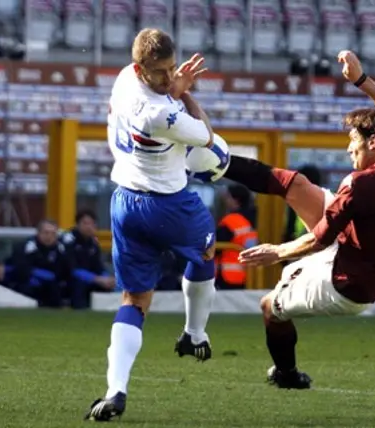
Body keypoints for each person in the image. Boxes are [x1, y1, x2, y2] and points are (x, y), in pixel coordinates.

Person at [224, 51, 375, 389]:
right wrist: (360, 80)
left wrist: (277, 252)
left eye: (354, 141)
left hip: (347, 281)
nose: (349, 150)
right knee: (297, 185)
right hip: (370, 255)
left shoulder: (361, 182)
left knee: (269, 308)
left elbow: (318, 239)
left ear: (374, 142)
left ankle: (286, 375)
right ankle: (220, 163)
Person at [84, 29, 226, 421]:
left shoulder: (125, 80)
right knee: (207, 250)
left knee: (134, 300)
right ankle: (194, 333)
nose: (167, 78)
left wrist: (170, 88)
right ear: (139, 67)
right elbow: (207, 136)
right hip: (168, 204)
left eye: (170, 70)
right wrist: (184, 91)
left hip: (125, 202)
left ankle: (115, 390)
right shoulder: (161, 113)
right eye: (159, 72)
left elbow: (160, 94)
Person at [7, 219, 72, 308]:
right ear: (38, 233)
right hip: (27, 283)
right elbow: (21, 269)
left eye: (53, 234)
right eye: (46, 233)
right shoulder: (25, 247)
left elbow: (66, 270)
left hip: (52, 285)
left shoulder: (61, 249)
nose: (49, 237)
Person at [61, 209, 116, 309]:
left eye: (92, 224)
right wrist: (96, 279)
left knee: (109, 286)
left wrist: (107, 278)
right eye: (85, 223)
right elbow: (71, 268)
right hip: (68, 279)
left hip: (90, 278)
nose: (89, 227)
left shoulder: (93, 243)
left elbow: (98, 266)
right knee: (79, 284)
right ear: (77, 224)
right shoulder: (68, 240)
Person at [215, 184, 258, 289]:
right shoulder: (254, 220)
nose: (225, 200)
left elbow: (215, 246)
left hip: (228, 276)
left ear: (236, 200)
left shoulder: (232, 220)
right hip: (248, 275)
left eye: (228, 197)